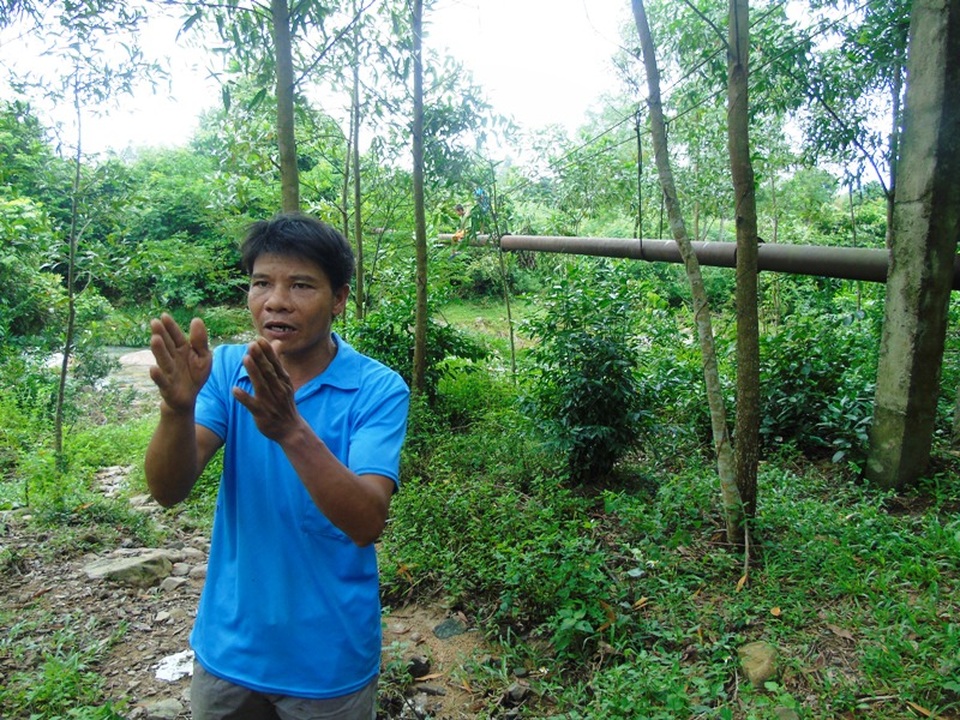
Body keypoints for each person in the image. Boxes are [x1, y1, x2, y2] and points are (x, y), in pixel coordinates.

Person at [144, 212, 410, 719]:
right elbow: (167, 490)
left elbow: (366, 521)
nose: (276, 301)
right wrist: (177, 410)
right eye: (261, 283)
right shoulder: (227, 369)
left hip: (328, 662)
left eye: (301, 285)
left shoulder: (377, 389)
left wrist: (291, 429)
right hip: (228, 650)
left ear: (339, 299)